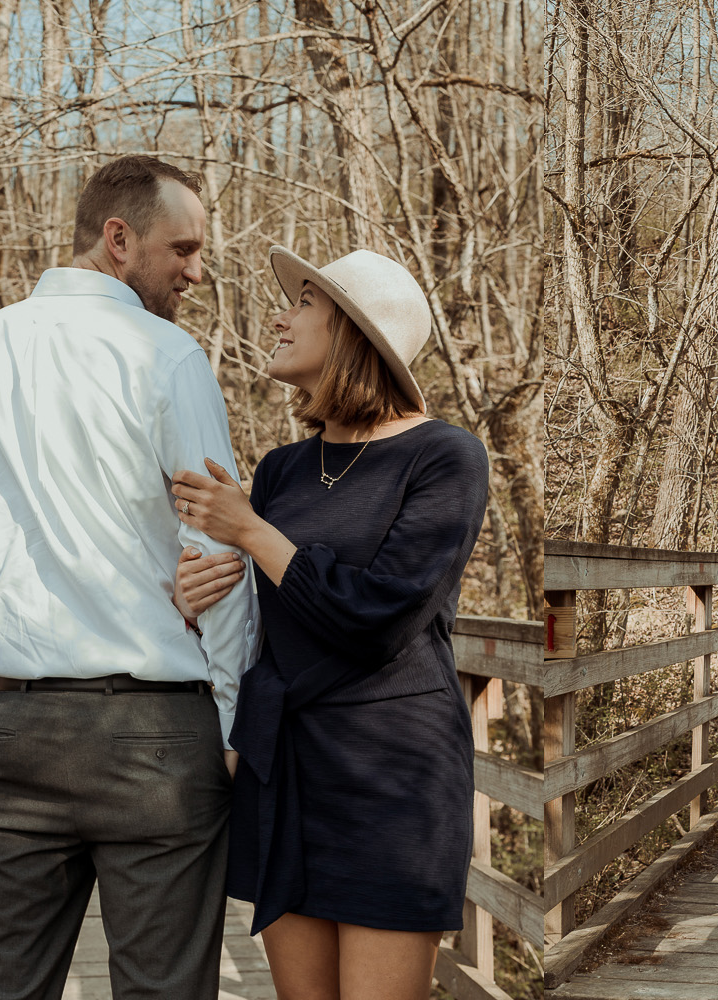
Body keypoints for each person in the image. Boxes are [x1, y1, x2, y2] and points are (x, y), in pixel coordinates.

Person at [0, 154, 259, 999]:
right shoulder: (167, 357)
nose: (197, 271)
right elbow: (216, 546)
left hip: (18, 727)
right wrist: (229, 718)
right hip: (156, 736)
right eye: (182, 248)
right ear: (118, 239)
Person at [169, 245, 489, 1000]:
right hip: (287, 771)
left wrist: (252, 534)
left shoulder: (445, 457)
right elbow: (265, 622)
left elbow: (380, 619)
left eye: (304, 303)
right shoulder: (281, 468)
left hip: (391, 779)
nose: (279, 316)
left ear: (353, 331)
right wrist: (190, 603)